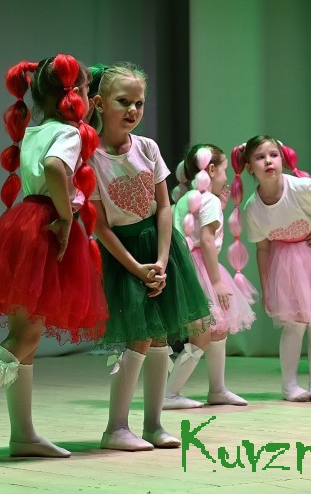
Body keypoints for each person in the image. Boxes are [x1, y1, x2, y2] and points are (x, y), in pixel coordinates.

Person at [0, 54, 108, 464]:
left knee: (25, 339)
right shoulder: (69, 133)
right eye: (87, 89)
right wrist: (66, 219)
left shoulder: (37, 128)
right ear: (74, 93)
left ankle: (24, 434)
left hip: (23, 221)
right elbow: (54, 167)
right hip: (46, 225)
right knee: (26, 337)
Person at [88, 63, 211, 451]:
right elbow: (100, 225)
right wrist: (137, 268)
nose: (133, 110)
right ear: (99, 103)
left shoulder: (148, 147)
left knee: (160, 336)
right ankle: (115, 428)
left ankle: (154, 424)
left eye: (139, 103)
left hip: (159, 251)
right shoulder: (91, 158)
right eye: (123, 101)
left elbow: (164, 207)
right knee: (138, 337)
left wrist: (160, 259)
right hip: (123, 256)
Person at [232, 135, 311, 402]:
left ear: (282, 158)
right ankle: (289, 386)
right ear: (249, 167)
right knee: (294, 325)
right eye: (260, 157)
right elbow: (263, 248)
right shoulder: (253, 208)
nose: (268, 161)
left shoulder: (300, 187)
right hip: (287, 263)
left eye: (273, 155)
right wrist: (267, 288)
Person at [165, 144, 256, 409]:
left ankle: (218, 390)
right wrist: (216, 282)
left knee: (218, 330)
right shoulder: (210, 201)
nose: (226, 177)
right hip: (201, 271)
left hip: (187, 267)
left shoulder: (186, 198)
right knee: (203, 335)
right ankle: (169, 394)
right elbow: (206, 240)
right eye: (225, 170)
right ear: (212, 169)